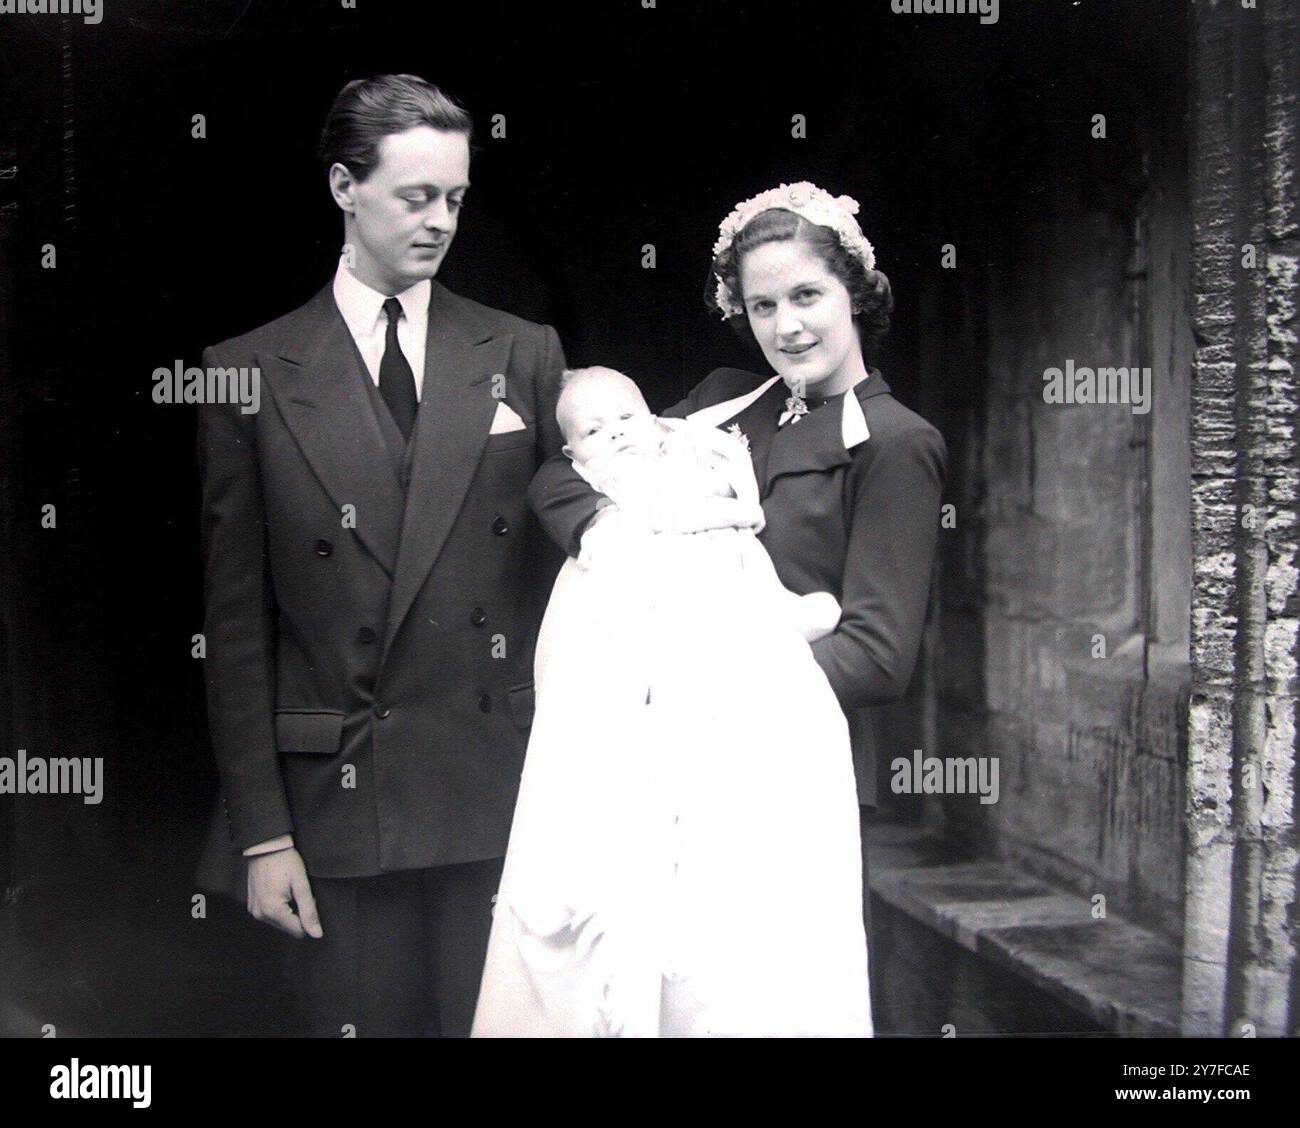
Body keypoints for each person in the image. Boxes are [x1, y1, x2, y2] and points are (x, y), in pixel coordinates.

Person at [196, 74, 567, 1037]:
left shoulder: (523, 351)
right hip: (335, 811)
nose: (441, 221)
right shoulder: (248, 372)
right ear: (342, 188)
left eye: (455, 198)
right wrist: (262, 831)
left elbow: (568, 577)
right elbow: (237, 624)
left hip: (497, 791)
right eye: (415, 197)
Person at [527, 181, 947, 976]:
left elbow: (877, 654)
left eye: (806, 295)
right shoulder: (725, 403)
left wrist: (700, 698)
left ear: (852, 293)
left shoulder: (893, 442)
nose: (786, 326)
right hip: (671, 773)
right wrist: (606, 530)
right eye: (761, 306)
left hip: (781, 774)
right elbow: (563, 468)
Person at [472, 366, 871, 1037]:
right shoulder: (616, 468)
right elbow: (556, 484)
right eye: (593, 432)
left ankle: (779, 619)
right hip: (633, 620)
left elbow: (742, 507)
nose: (615, 436)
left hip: (728, 627)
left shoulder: (699, 438)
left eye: (624, 421)